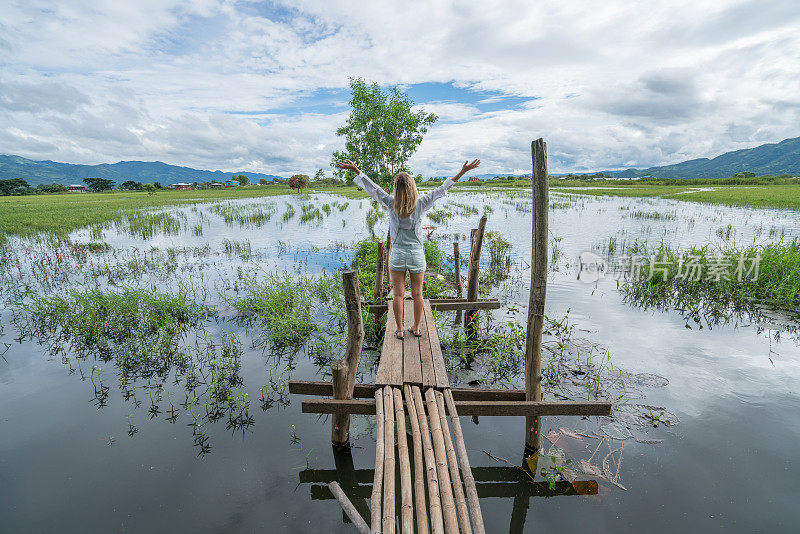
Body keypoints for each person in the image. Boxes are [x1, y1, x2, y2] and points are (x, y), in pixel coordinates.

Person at [335, 158, 481, 339]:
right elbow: (443, 188)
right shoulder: (421, 203)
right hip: (416, 255)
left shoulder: (390, 202)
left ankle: (400, 329)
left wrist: (356, 169)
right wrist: (463, 171)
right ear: (413, 187)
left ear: (396, 188)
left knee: (397, 295)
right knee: (418, 294)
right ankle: (417, 328)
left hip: (397, 254)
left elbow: (373, 188)